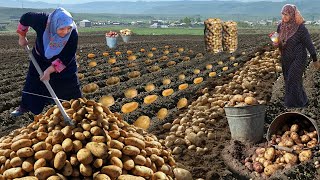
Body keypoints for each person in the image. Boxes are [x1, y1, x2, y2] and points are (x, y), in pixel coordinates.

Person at [11, 7, 82, 116]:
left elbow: (67, 56)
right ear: (54, 25)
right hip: (40, 57)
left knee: (69, 85)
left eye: (68, 28)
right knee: (33, 81)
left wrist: (49, 70)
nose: (65, 32)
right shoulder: (42, 20)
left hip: (62, 61)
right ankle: (25, 107)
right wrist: (22, 37)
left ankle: (76, 109)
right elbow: (25, 18)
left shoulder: (72, 33)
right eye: (62, 29)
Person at [273, 4, 320, 108]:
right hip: (285, 58)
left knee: (292, 80)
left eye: (286, 14)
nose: (284, 17)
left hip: (298, 58)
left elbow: (309, 44)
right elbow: (277, 38)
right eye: (282, 14)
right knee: (289, 80)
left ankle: (291, 105)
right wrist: (275, 41)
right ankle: (303, 101)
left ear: (292, 15)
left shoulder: (300, 28)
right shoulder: (281, 25)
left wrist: (315, 60)